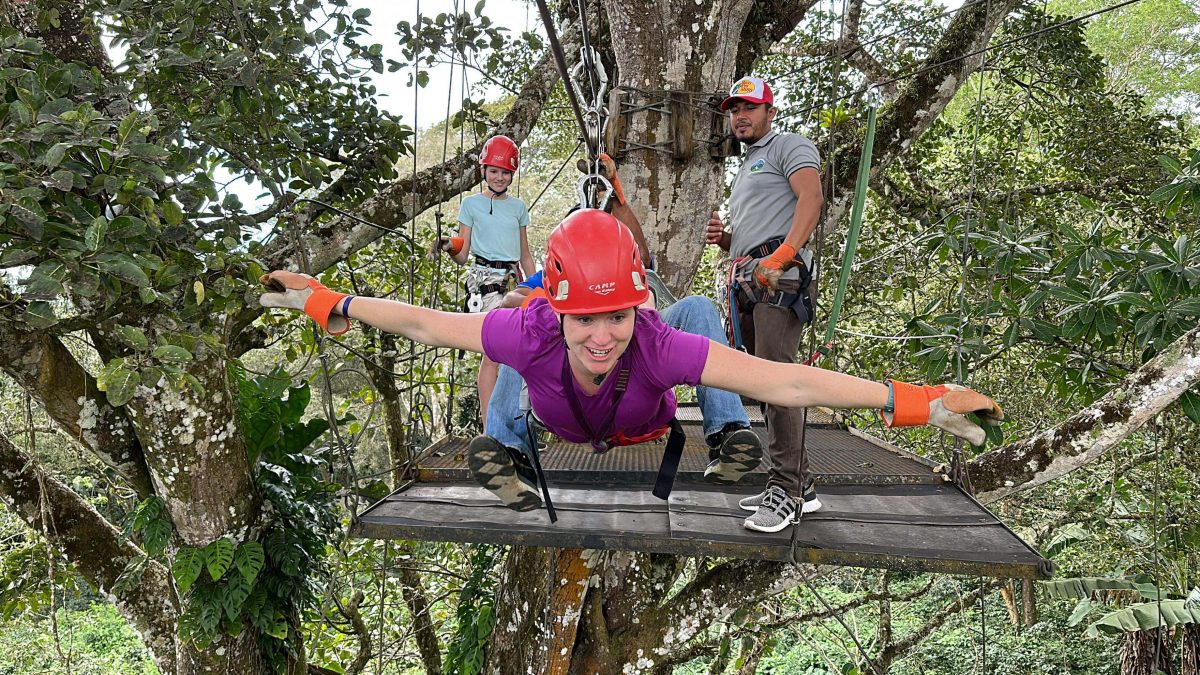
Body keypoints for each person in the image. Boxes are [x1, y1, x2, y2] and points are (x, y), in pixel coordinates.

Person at [260, 211, 1004, 532]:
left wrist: (910, 400)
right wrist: (335, 303)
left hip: (640, 421)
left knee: (697, 325)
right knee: (507, 338)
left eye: (616, 316)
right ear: (563, 307)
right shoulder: (538, 325)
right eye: (586, 317)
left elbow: (788, 381)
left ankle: (727, 436)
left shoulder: (651, 340)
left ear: (635, 308)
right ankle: (505, 450)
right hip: (555, 421)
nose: (603, 334)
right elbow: (428, 322)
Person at [706, 75, 829, 532]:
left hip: (781, 276)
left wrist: (782, 255)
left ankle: (788, 490)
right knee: (763, 382)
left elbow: (811, 198)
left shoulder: (788, 145)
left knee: (779, 381)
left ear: (770, 112)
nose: (740, 116)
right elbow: (752, 237)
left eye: (750, 108)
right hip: (752, 275)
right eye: (734, 109)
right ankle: (802, 484)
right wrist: (727, 240)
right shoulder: (749, 165)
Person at [431, 135, 536, 424]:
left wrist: (539, 286)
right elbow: (463, 254)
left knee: (521, 354)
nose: (499, 177)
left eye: (505, 172)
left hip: (515, 280)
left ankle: (516, 426)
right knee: (493, 354)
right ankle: (493, 429)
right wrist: (448, 245)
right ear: (483, 171)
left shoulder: (518, 208)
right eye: (494, 171)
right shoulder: (471, 205)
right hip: (486, 280)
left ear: (512, 173)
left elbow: (525, 254)